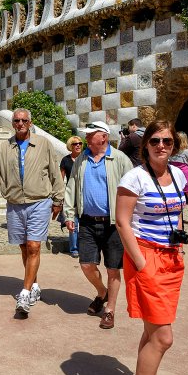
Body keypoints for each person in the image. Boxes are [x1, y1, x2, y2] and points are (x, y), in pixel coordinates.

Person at [114, 120, 188, 375]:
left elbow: (178, 211)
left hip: (171, 258)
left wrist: (180, 246)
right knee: (163, 337)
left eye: (168, 142)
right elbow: (122, 221)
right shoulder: (135, 177)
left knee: (151, 332)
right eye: (156, 140)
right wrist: (142, 263)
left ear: (175, 145)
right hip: (146, 257)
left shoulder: (179, 174)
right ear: (145, 144)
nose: (161, 146)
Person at [0, 109, 65, 317]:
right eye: (16, 120)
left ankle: (25, 294)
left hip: (39, 202)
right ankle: (33, 285)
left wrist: (58, 199)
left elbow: (55, 172)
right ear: (13, 123)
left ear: (30, 122)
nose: (20, 123)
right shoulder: (5, 147)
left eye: (24, 120)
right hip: (15, 204)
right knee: (25, 247)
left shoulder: (43, 144)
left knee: (34, 246)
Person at [65, 122, 134, 331]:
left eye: (90, 134)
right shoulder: (82, 159)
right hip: (87, 221)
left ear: (103, 137)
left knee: (113, 269)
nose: (86, 138)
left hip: (114, 224)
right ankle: (101, 292)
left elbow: (133, 190)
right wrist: (70, 213)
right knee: (86, 264)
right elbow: (72, 186)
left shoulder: (120, 159)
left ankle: (110, 310)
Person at [60, 136, 85, 256]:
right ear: (71, 146)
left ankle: (84, 246)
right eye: (75, 144)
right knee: (72, 221)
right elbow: (61, 179)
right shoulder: (65, 160)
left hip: (84, 193)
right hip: (71, 194)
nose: (78, 145)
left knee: (85, 222)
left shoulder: (85, 159)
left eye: (80, 143)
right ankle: (74, 248)